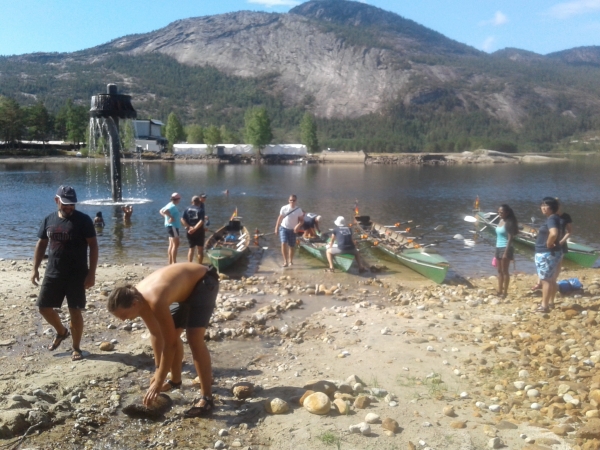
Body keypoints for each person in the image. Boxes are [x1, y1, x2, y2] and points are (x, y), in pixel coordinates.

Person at [107, 263, 219, 417]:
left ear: (133, 304)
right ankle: (175, 381)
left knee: (194, 339)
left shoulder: (155, 299)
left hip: (204, 282)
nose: (123, 320)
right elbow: (156, 334)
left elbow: (170, 344)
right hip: (184, 291)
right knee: (171, 333)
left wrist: (159, 381)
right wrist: (158, 369)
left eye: (123, 315)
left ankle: (207, 398)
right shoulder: (138, 300)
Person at [31, 185, 98, 361]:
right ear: (57, 201)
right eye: (65, 204)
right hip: (53, 271)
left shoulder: (83, 220)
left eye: (72, 204)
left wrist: (92, 273)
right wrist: (35, 268)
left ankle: (76, 348)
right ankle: (61, 332)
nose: (69, 208)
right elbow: (41, 245)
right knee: (44, 308)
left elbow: (93, 245)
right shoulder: (49, 220)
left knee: (75, 311)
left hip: (77, 274)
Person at [534, 197, 562, 313]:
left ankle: (544, 306)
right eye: (542, 205)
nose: (543, 208)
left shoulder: (551, 219)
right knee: (551, 279)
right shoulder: (555, 218)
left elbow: (554, 233)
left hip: (546, 253)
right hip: (552, 253)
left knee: (546, 280)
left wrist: (549, 243)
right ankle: (549, 303)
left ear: (552, 208)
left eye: (546, 206)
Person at [494, 204, 518, 298]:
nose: (499, 214)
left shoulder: (509, 222)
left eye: (502, 212)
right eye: (498, 212)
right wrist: (496, 250)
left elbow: (510, 238)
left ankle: (505, 292)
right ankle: (499, 290)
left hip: (505, 248)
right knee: (499, 271)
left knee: (505, 271)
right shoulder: (500, 221)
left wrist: (506, 252)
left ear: (507, 213)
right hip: (498, 247)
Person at [274, 194, 304, 267]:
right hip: (283, 228)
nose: (292, 202)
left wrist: (298, 226)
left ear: (296, 201)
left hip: (293, 230)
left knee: (291, 246)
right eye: (291, 200)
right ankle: (285, 261)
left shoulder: (299, 210)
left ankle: (290, 260)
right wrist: (276, 228)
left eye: (294, 200)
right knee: (283, 242)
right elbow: (279, 218)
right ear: (288, 200)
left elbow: (302, 221)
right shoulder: (284, 208)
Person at [181, 194, 207, 264]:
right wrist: (195, 228)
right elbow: (201, 221)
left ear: (192, 201)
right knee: (200, 249)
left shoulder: (186, 209)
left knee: (191, 249)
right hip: (199, 231)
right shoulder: (201, 210)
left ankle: (190, 265)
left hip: (189, 231)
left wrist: (189, 227)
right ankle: (200, 265)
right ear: (199, 202)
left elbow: (182, 219)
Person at [160, 193, 181, 264]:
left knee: (171, 244)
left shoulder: (169, 204)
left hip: (170, 226)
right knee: (176, 244)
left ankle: (170, 261)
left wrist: (166, 217)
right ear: (177, 199)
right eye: (179, 199)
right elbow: (164, 211)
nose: (179, 200)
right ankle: (174, 262)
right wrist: (170, 217)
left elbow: (161, 211)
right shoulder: (172, 206)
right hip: (173, 226)